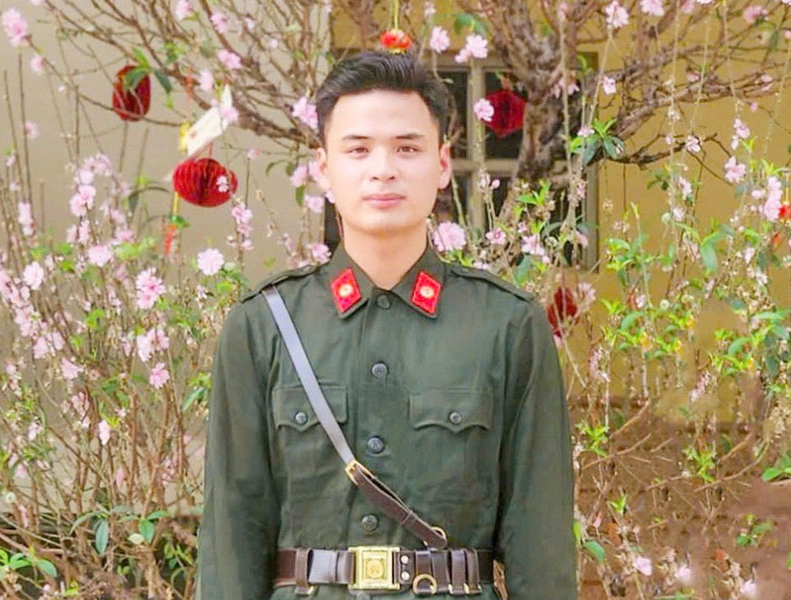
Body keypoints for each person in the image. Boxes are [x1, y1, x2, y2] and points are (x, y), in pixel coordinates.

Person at [197, 48, 576, 599]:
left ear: (442, 164)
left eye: (407, 148)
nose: (383, 169)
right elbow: (231, 538)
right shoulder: (263, 328)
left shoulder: (506, 327)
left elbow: (541, 547)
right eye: (358, 149)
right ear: (324, 168)